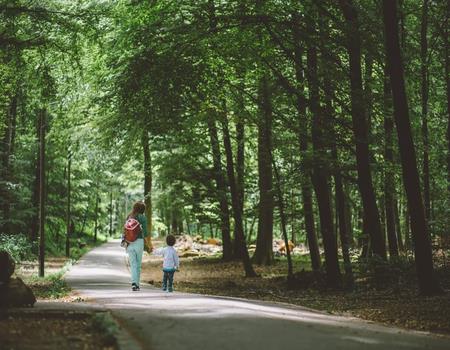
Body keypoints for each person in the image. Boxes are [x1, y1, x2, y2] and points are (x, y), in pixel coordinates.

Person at [125, 201, 149, 291]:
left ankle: (134, 283)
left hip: (129, 242)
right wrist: (148, 244)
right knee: (138, 265)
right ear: (143, 209)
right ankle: (136, 284)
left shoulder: (129, 216)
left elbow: (125, 230)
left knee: (133, 264)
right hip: (139, 242)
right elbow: (145, 233)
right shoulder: (142, 217)